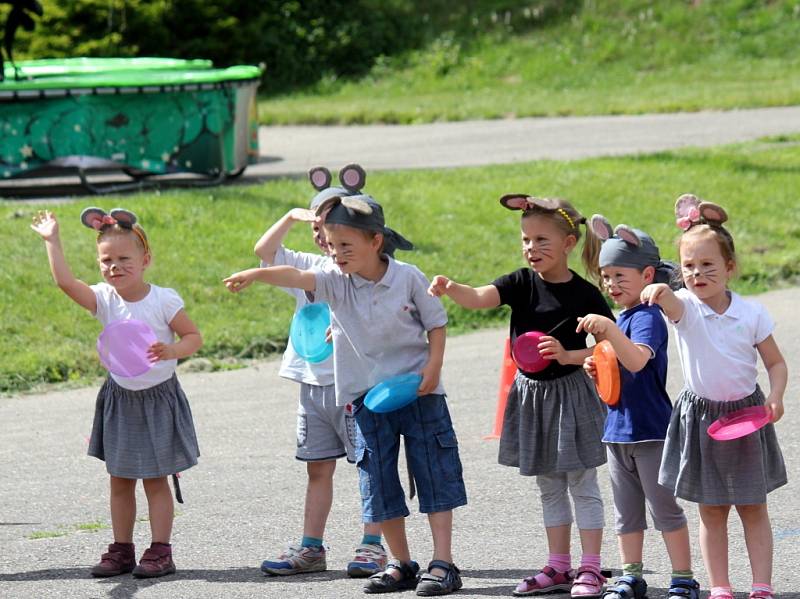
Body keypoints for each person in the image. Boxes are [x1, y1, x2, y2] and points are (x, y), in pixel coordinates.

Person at [224, 190, 467, 596]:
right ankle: (402, 563)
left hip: (419, 392)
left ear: (376, 241)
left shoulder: (408, 276)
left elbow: (436, 324)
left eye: (345, 246)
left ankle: (443, 563)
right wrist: (255, 274)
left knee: (434, 475)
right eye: (332, 245)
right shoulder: (335, 280)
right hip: (367, 400)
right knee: (378, 482)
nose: (336, 254)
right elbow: (296, 276)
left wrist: (434, 367)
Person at [428, 195, 612, 598]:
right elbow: (479, 298)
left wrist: (568, 355)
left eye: (542, 240)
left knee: (582, 483)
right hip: (533, 397)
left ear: (568, 242)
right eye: (526, 240)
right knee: (549, 485)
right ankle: (558, 566)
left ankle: (592, 568)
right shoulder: (520, 283)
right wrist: (451, 286)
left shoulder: (586, 295)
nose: (532, 248)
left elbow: (609, 346)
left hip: (572, 395)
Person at [30, 207, 201, 579]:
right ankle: (122, 549)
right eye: (107, 260)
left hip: (157, 398)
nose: (115, 266)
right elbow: (64, 283)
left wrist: (172, 350)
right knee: (120, 478)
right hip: (120, 398)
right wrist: (52, 240)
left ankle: (161, 551)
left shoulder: (163, 300)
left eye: (124, 259)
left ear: (145, 260)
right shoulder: (104, 299)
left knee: (155, 479)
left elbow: (193, 337)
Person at [640, 195, 788, 599]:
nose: (697, 273)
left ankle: (761, 585)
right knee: (711, 508)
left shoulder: (751, 314)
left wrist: (775, 396)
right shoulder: (684, 306)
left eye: (708, 265)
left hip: (747, 415)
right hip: (701, 418)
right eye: (688, 266)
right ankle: (720, 586)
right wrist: (657, 287)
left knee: (753, 506)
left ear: (730, 268)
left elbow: (776, 363)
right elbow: (669, 302)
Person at [254, 165, 386, 578]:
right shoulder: (305, 263)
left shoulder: (362, 270)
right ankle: (312, 548)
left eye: (331, 223)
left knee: (370, 465)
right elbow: (263, 252)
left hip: (355, 385)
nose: (322, 233)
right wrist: (292, 216)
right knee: (317, 468)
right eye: (318, 225)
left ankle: (373, 544)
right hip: (312, 385)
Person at [576, 215, 698, 599]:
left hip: (650, 431)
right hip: (617, 431)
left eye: (618, 276)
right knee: (626, 514)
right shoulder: (624, 318)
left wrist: (607, 333)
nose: (610, 285)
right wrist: (596, 368)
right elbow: (615, 384)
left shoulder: (647, 318)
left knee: (665, 510)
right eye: (605, 276)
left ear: (647, 275)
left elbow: (638, 362)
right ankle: (631, 575)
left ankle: (683, 578)